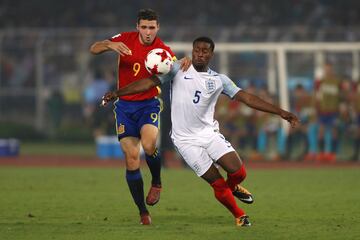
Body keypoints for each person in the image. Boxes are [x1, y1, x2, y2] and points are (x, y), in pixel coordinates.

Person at [101, 37, 300, 226]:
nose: (200, 54)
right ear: (192, 52)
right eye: (197, 50)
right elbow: (149, 82)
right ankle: (239, 215)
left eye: (205, 51)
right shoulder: (177, 69)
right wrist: (117, 93)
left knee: (239, 172)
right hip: (185, 141)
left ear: (211, 54)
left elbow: (247, 98)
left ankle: (233, 187)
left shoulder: (219, 80)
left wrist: (281, 112)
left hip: (209, 134)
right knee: (217, 183)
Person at [89, 9, 191, 225]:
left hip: (149, 104)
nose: (147, 32)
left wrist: (185, 61)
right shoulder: (124, 39)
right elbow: (93, 48)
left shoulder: (163, 50)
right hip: (124, 107)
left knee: (148, 144)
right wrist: (108, 45)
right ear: (137, 27)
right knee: (131, 158)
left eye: (151, 27)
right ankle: (143, 211)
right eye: (143, 27)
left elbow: (176, 68)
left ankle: (156, 181)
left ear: (158, 28)